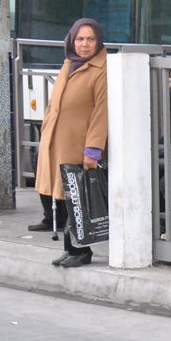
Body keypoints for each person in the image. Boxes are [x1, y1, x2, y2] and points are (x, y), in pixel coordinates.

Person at [34, 18, 109, 268]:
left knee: (77, 199)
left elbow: (101, 112)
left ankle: (81, 250)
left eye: (90, 39)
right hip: (57, 141)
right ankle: (70, 249)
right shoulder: (70, 63)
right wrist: (46, 128)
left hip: (79, 144)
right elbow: (54, 103)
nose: (84, 44)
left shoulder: (102, 69)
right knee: (64, 198)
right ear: (72, 40)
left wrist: (93, 149)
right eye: (80, 39)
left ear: (98, 41)